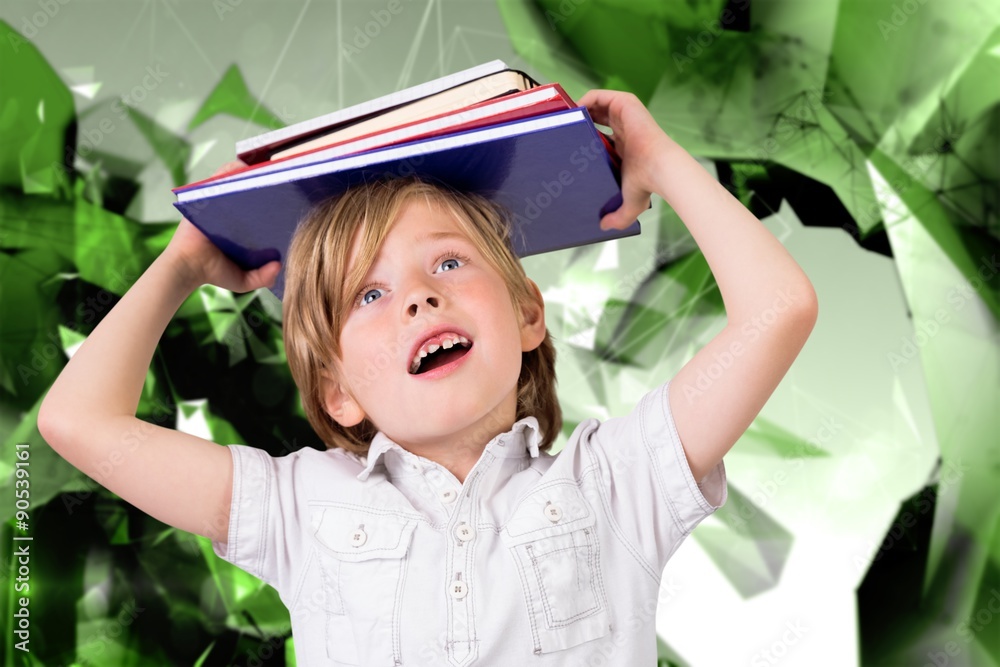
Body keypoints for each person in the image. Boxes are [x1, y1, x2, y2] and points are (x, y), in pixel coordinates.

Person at [38, 89, 818, 665]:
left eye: (448, 261)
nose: (418, 294)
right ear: (338, 389)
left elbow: (777, 309)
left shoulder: (616, 483)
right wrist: (180, 264)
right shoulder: (298, 508)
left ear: (526, 315)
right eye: (369, 294)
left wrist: (663, 164)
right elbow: (79, 422)